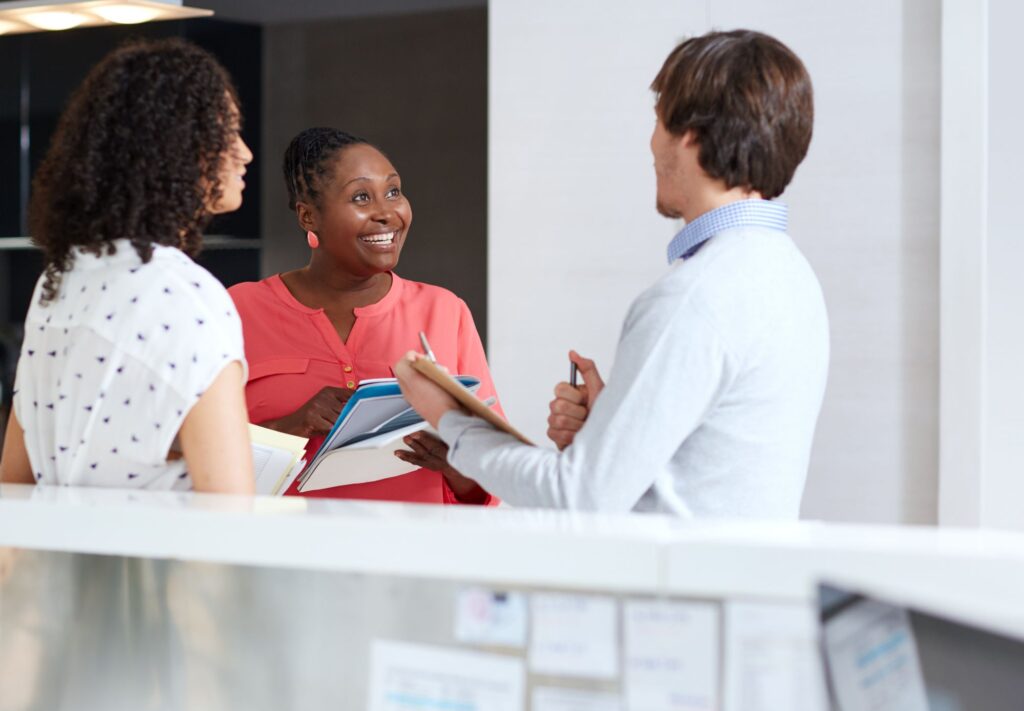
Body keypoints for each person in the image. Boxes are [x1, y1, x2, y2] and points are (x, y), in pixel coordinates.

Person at [396, 29, 830, 517]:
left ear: (691, 138)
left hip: (674, 569)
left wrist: (449, 417)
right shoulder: (789, 274)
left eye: (658, 120)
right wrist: (610, 429)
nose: (651, 144)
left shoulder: (693, 298)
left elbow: (576, 496)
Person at [0, 39, 255, 494]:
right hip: (160, 544)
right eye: (227, 133)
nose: (244, 153)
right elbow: (229, 510)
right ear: (175, 147)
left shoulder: (59, 280)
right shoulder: (191, 298)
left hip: (60, 543)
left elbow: (12, 484)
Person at [228, 128, 498, 504]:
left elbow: (495, 478)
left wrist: (457, 466)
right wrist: (292, 425)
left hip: (416, 540)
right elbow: (193, 457)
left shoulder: (445, 310)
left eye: (393, 191)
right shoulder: (236, 310)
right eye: (361, 197)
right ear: (308, 217)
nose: (387, 213)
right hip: (283, 539)